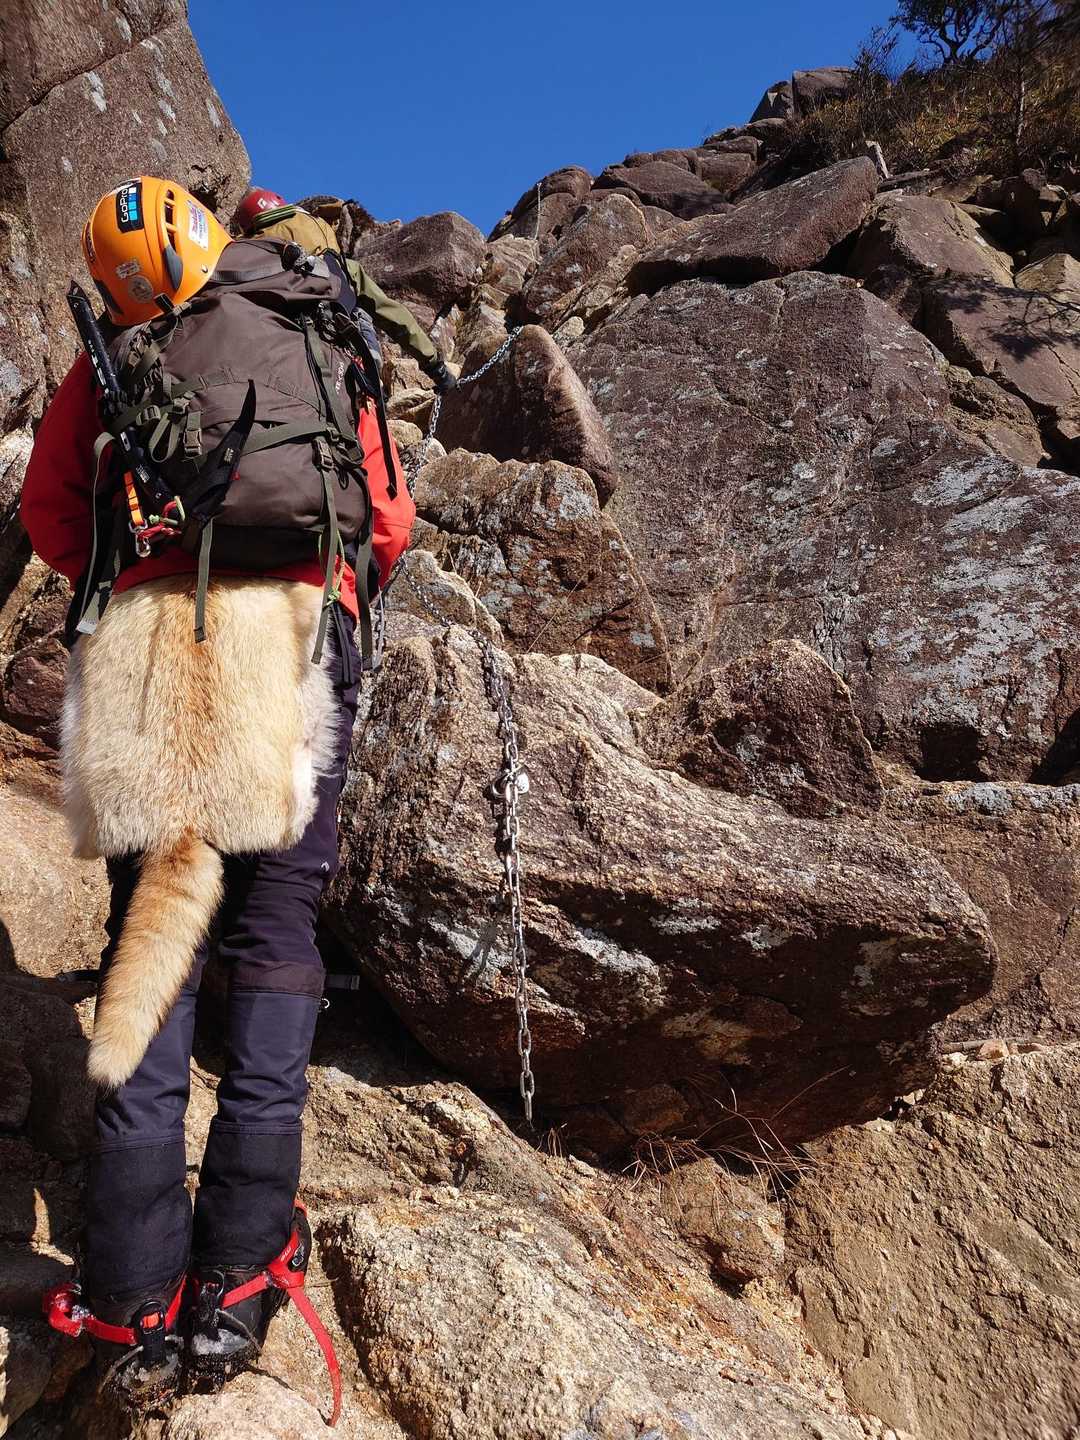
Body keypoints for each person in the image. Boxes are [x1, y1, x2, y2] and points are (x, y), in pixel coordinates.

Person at [22, 176, 415, 1417]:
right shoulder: (317, 323)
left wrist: (139, 572)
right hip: (293, 645)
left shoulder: (115, 352)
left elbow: (48, 514)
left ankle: (133, 1297)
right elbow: (387, 524)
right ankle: (236, 1288)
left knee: (152, 948)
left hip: (149, 655)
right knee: (275, 946)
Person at [233, 186, 457, 395]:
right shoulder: (341, 267)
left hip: (276, 359)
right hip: (348, 353)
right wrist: (436, 368)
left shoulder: (245, 255)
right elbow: (393, 314)